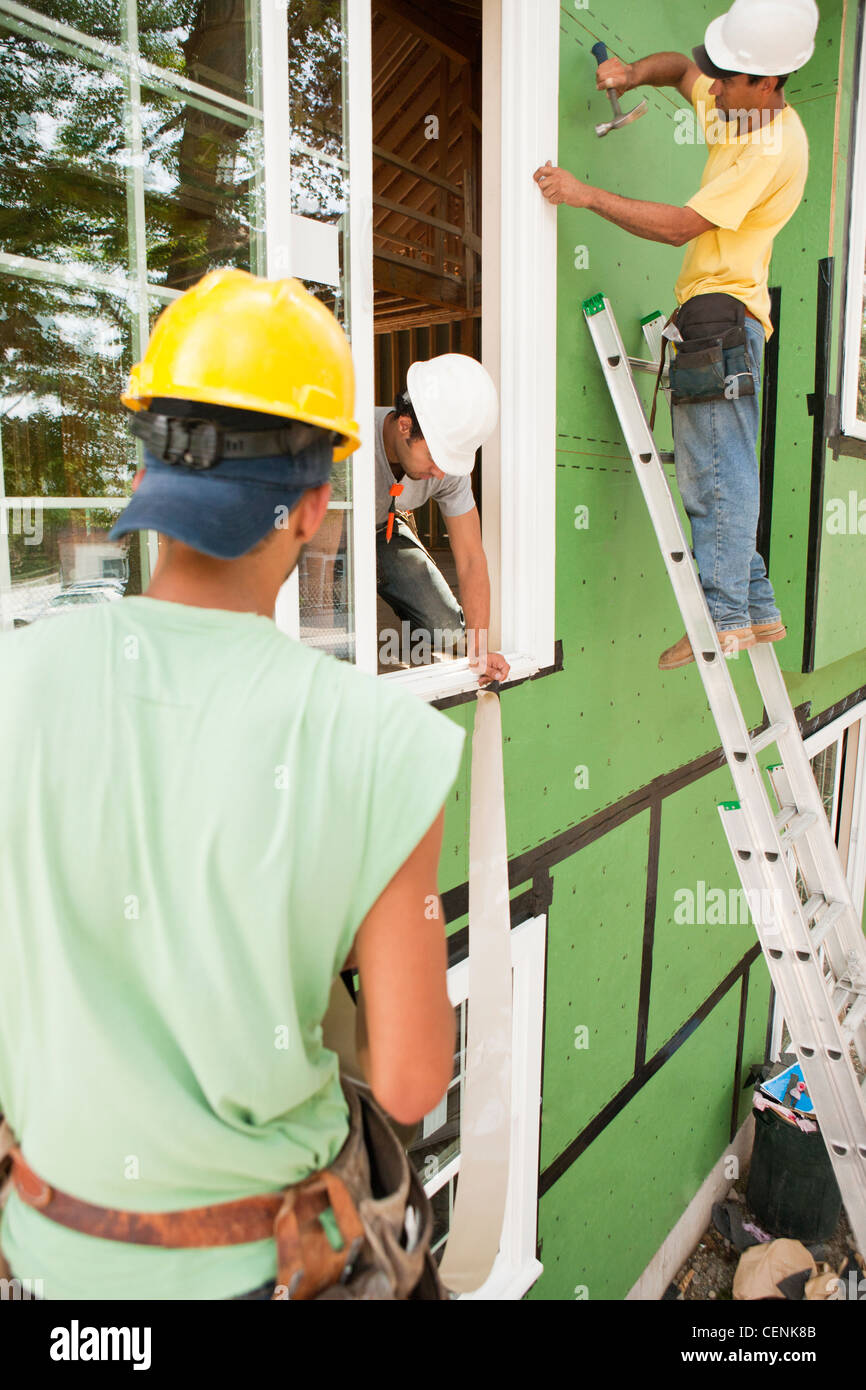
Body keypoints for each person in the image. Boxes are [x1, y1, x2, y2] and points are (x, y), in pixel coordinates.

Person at [0, 268, 464, 1300]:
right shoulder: (375, 740)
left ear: (146, 480)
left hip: (49, 1257)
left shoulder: (14, 682)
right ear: (309, 507)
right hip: (264, 1266)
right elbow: (408, 1079)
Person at [534, 0, 818, 670]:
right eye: (716, 74)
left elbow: (679, 227)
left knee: (713, 469)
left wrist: (586, 195)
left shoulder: (772, 148)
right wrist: (632, 72)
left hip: (720, 313)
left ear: (772, 80)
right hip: (725, 313)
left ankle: (721, 618)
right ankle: (755, 604)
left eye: (728, 78)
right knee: (729, 462)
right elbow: (680, 71)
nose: (711, 86)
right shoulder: (737, 101)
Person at [375, 354, 510, 685]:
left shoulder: (446, 466)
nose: (440, 473)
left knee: (447, 630)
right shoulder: (349, 442)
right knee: (339, 637)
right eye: (435, 458)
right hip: (331, 533)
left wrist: (478, 653)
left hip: (384, 529)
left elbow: (470, 559)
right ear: (404, 426)